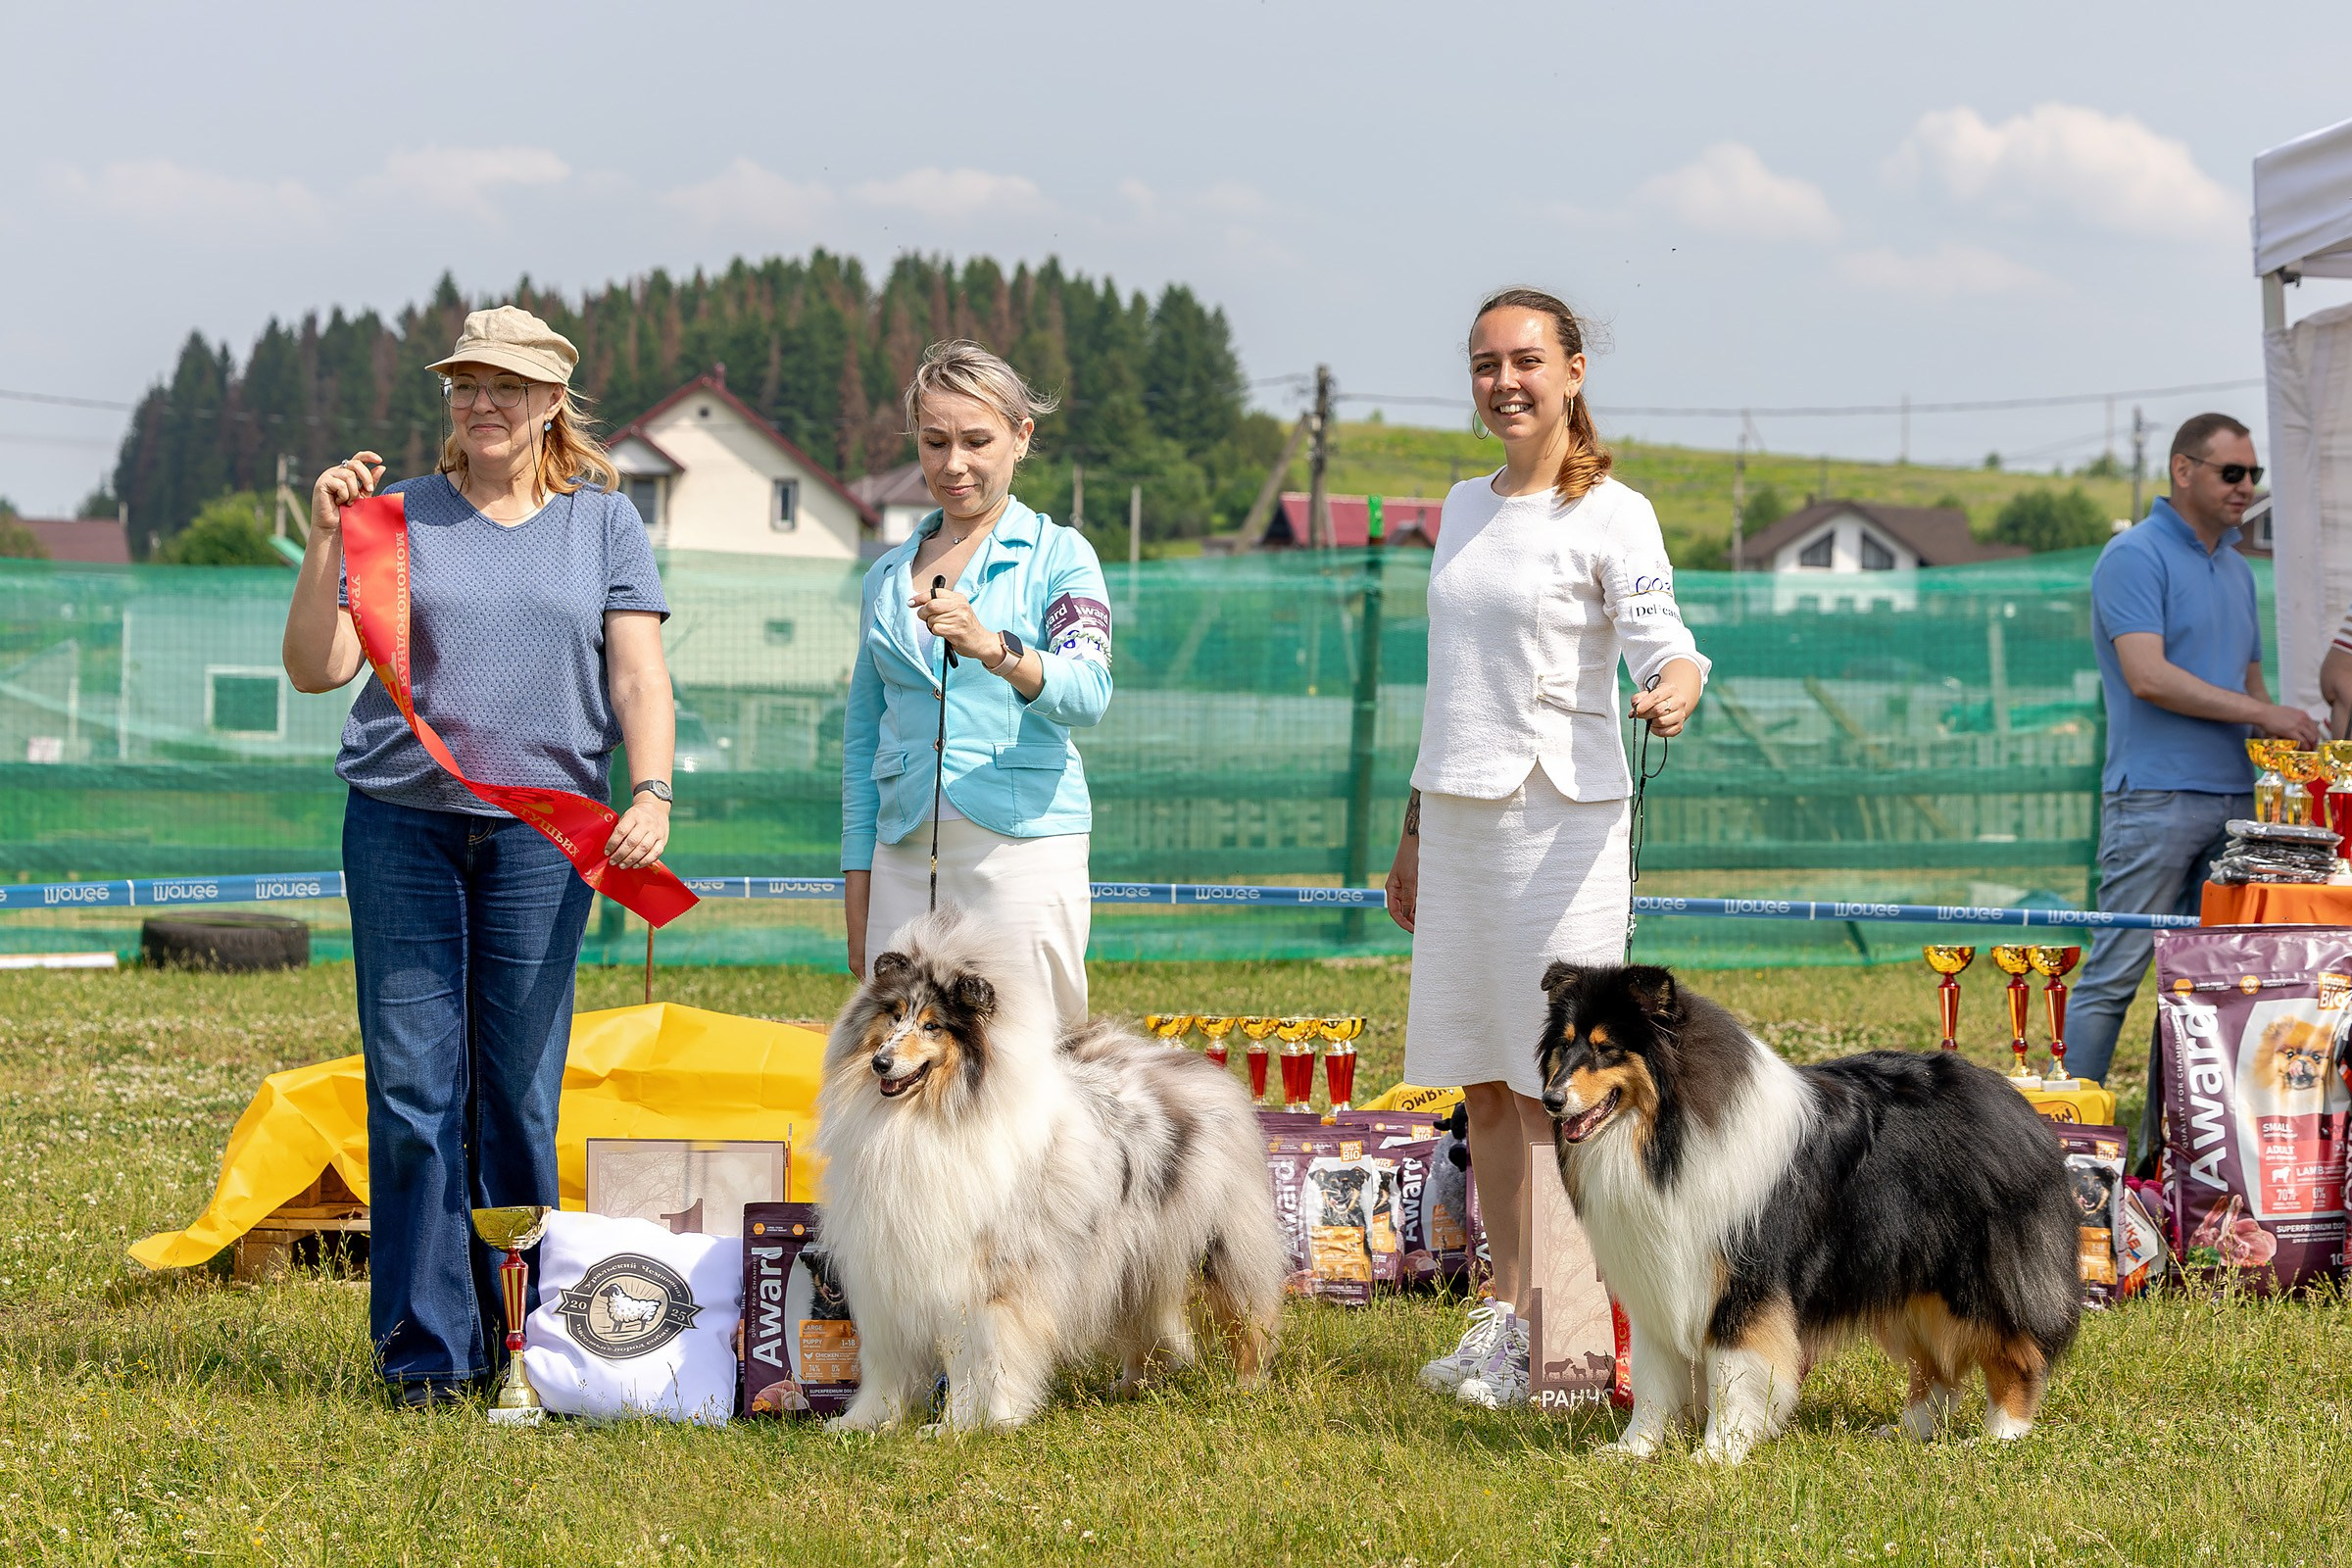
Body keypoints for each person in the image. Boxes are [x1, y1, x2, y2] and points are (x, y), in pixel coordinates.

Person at [280, 306, 678, 1405]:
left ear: (553, 401)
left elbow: (640, 678)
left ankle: (529, 1348)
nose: (482, 402)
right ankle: (425, 1357)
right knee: (412, 1092)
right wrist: (324, 538)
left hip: (545, 841)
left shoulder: (605, 525)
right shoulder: (390, 517)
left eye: (506, 385)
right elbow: (317, 667)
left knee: (515, 1092)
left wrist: (650, 788)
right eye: (465, 382)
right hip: (400, 826)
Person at [1385, 288, 1707, 1409]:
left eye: (1526, 360)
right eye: (1484, 364)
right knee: (1482, 1080)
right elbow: (1446, 694)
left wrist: (1672, 682)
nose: (1504, 382)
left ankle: (1570, 1346)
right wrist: (1412, 831)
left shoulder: (1619, 513)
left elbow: (1661, 633)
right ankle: (1507, 1320)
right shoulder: (1460, 508)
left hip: (1566, 828)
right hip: (1462, 822)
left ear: (1574, 370)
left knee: (1554, 1093)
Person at [842, 341, 1112, 1023]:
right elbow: (859, 741)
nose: (952, 464)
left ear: (1022, 438)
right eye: (934, 442)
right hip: (900, 851)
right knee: (901, 1066)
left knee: (1035, 1066)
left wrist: (995, 647)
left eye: (975, 441)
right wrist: (858, 883)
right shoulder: (883, 576)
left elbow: (1089, 692)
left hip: (1022, 851)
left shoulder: (1062, 554)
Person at [2070, 414, 2315, 1087]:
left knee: (2210, 990)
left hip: (2239, 805)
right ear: (2183, 470)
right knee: (2113, 977)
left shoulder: (2237, 569)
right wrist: (2265, 712)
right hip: (2155, 797)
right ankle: (2067, 1148)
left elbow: (2251, 682)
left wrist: (2296, 745)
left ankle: (2176, 1147)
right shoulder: (2133, 555)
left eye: (2252, 475)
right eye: (2230, 473)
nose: (2244, 488)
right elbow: (2148, 678)